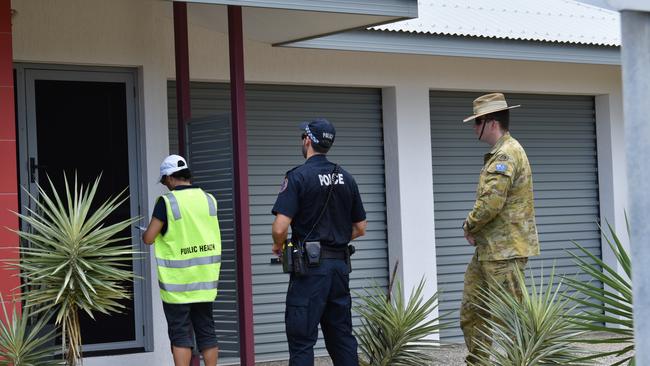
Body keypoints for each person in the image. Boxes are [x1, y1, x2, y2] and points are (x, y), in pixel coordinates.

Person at [271, 118, 368, 366]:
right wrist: (335, 240)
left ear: (307, 140)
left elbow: (280, 227)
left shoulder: (297, 177)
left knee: (302, 339)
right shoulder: (346, 177)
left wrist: (279, 245)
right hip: (339, 269)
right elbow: (360, 228)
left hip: (309, 271)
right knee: (342, 337)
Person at [459, 93, 540, 364]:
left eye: (476, 122)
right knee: (473, 311)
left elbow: (491, 203)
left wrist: (468, 225)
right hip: (490, 250)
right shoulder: (500, 153)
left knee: (510, 320)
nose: (473, 127)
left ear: (491, 123)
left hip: (504, 253)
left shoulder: (506, 154)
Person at [142, 154, 221, 366]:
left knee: (181, 335)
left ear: (169, 178)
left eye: (165, 181)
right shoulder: (209, 199)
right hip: (205, 281)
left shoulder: (167, 202)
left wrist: (147, 232)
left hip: (178, 286)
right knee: (207, 332)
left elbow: (149, 238)